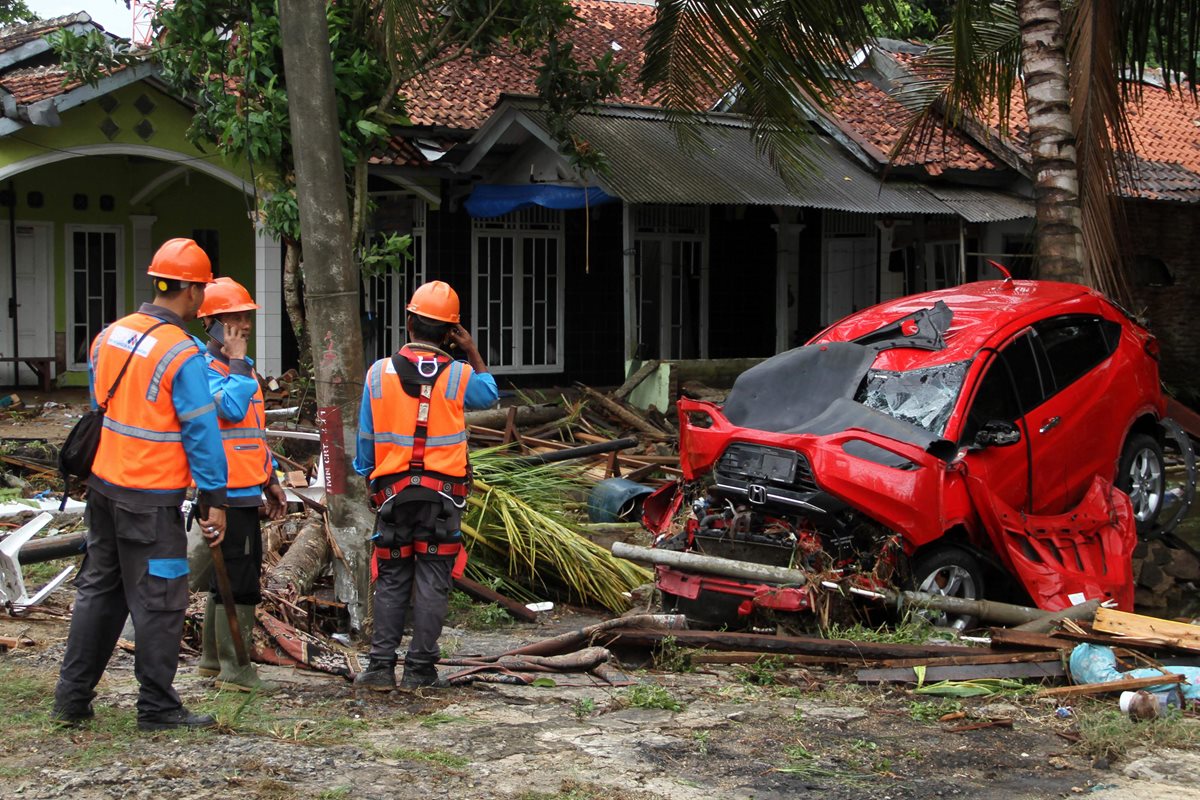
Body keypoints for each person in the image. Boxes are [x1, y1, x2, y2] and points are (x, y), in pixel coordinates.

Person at [53, 238, 228, 731]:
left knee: (99, 591)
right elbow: (200, 428)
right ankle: (157, 707)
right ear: (192, 292)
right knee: (161, 600)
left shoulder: (110, 334)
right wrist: (214, 498)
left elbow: (101, 404)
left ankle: (72, 699)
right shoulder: (181, 352)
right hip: (150, 499)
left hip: (105, 488)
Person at [352, 280, 498, 690]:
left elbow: (366, 440)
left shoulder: (378, 373)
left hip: (393, 494)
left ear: (409, 319)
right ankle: (420, 671)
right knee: (433, 576)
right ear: (450, 332)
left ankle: (380, 668)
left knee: (394, 575)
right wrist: (470, 349)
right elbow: (490, 395)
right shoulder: (459, 376)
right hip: (443, 498)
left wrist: (370, 477)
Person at [194, 277, 288, 692]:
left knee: (230, 575)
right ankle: (236, 669)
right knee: (239, 580)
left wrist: (270, 478)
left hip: (247, 487)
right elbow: (230, 410)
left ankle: (214, 662)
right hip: (223, 492)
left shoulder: (242, 370)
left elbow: (252, 432)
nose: (244, 325)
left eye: (246, 316)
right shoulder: (203, 370)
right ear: (211, 324)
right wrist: (236, 362)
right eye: (234, 318)